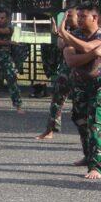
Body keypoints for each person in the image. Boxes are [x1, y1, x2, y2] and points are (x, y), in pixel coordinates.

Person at [57, 1, 101, 179]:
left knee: (96, 123)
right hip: (80, 86)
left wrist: (65, 34)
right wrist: (94, 54)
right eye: (78, 16)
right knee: (81, 121)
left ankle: (97, 167)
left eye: (83, 16)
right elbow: (71, 61)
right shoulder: (75, 34)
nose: (79, 20)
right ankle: (88, 156)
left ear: (95, 17)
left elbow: (88, 47)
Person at [36, 9, 77, 140]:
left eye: (70, 15)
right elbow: (61, 45)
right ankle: (50, 130)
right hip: (66, 70)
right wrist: (62, 27)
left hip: (84, 71)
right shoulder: (67, 29)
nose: (67, 17)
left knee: (94, 104)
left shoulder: (89, 31)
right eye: (66, 15)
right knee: (57, 100)